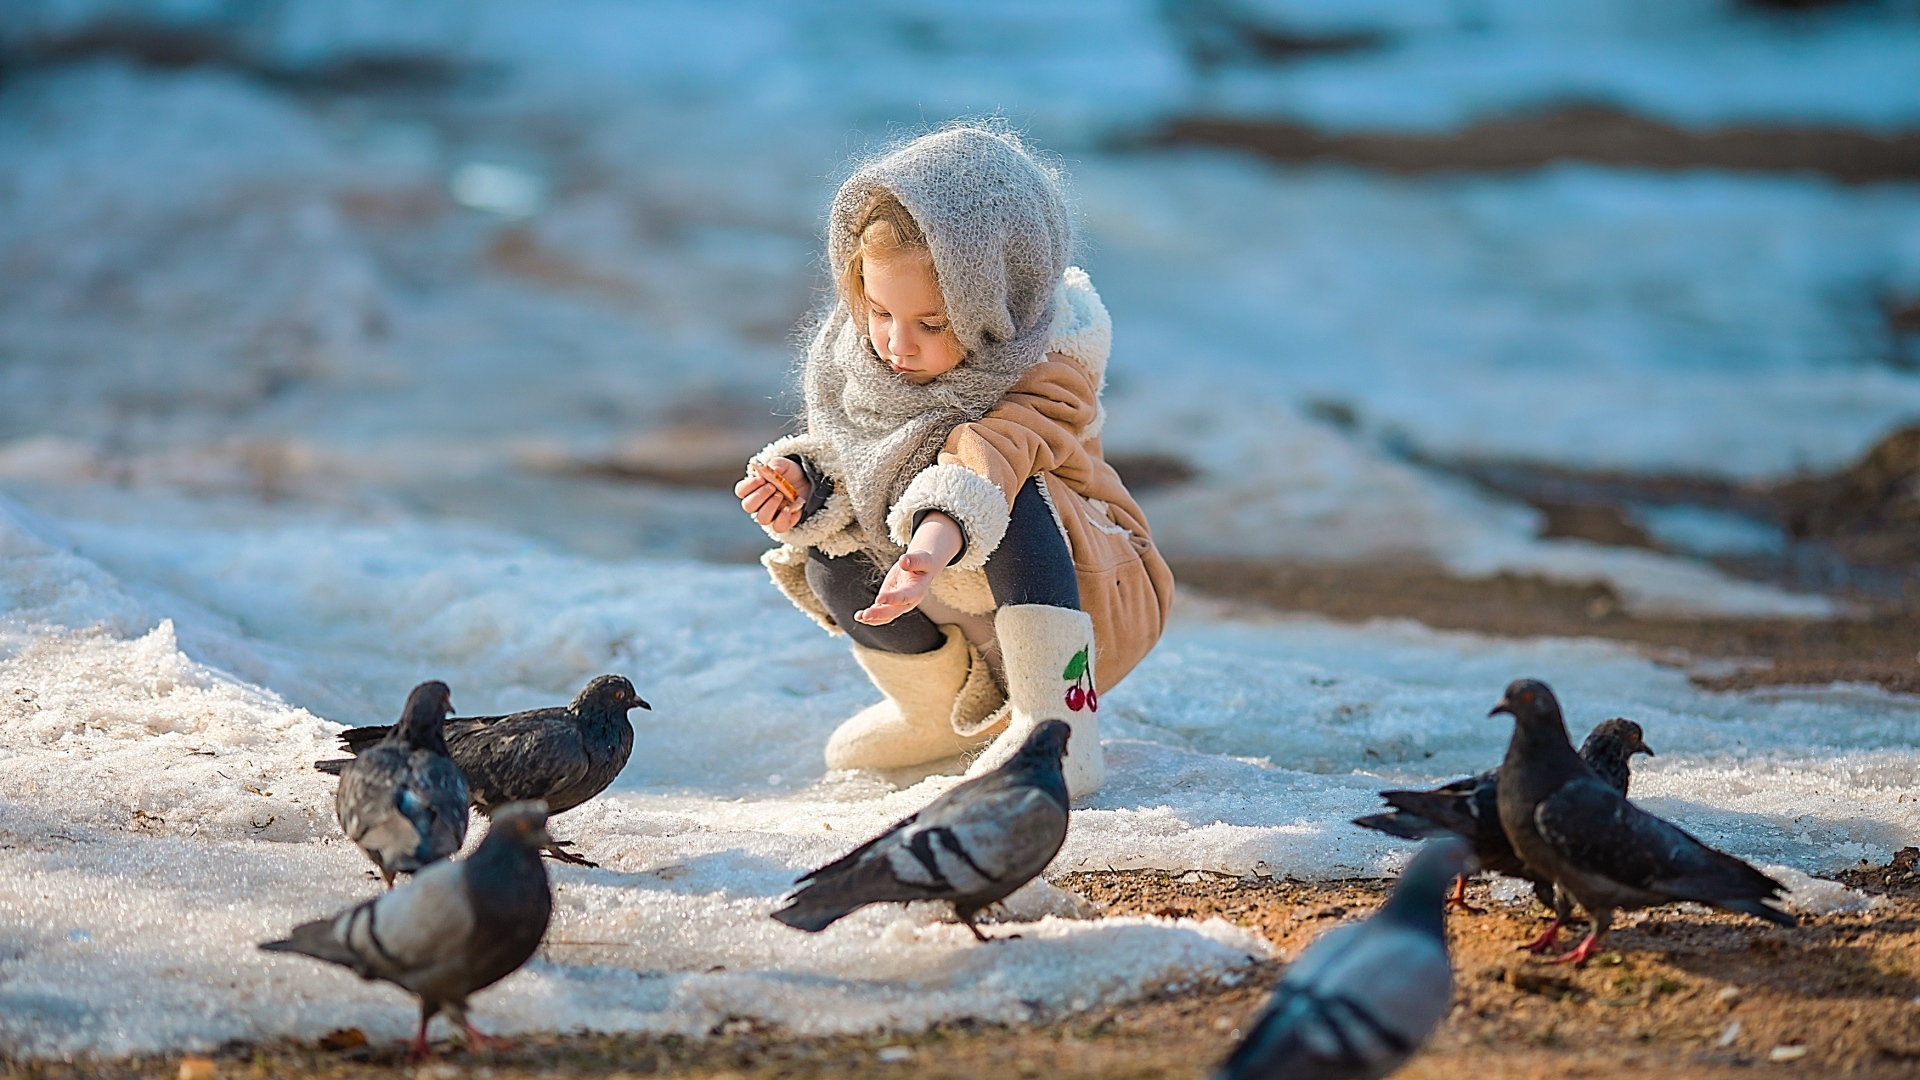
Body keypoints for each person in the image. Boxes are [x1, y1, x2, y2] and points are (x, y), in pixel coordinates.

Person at [734, 125, 1172, 800]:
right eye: (879, 311)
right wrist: (805, 482)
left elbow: (990, 456)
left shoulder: (1050, 364)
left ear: (999, 299)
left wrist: (933, 541)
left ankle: (1058, 731)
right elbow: (864, 459)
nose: (895, 344)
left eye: (931, 324)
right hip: (954, 584)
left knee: (1014, 493)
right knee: (830, 547)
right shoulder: (860, 356)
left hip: (1091, 586)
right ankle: (936, 714)